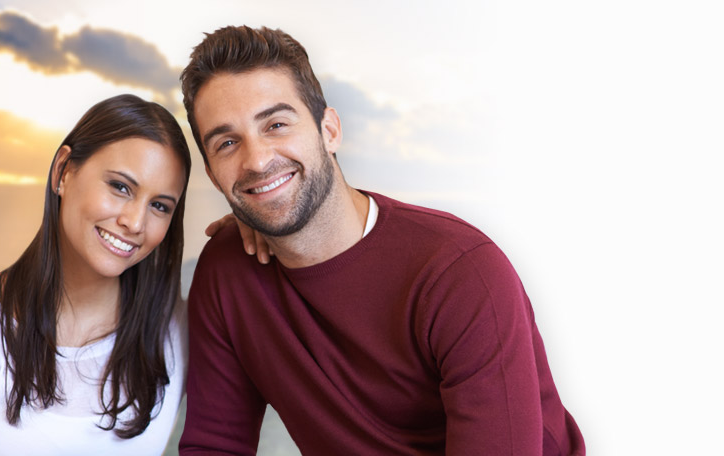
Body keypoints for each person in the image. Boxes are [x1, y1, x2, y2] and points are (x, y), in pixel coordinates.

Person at [178, 26, 584, 455]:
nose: (257, 159)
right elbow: (215, 445)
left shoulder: (459, 272)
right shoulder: (227, 272)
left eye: (276, 124)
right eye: (226, 143)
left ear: (329, 130)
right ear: (212, 175)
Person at [0, 94, 191, 455]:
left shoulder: (177, 328)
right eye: (120, 187)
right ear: (64, 171)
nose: (135, 222)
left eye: (159, 206)